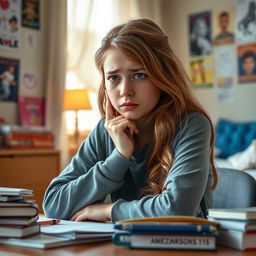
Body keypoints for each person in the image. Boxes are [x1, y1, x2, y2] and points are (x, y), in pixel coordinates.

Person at [43, 19, 217, 222]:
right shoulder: (105, 131)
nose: (125, 90)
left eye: (140, 75)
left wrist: (109, 211)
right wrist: (119, 157)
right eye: (114, 78)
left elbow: (177, 210)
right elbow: (53, 205)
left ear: (163, 77)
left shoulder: (191, 124)